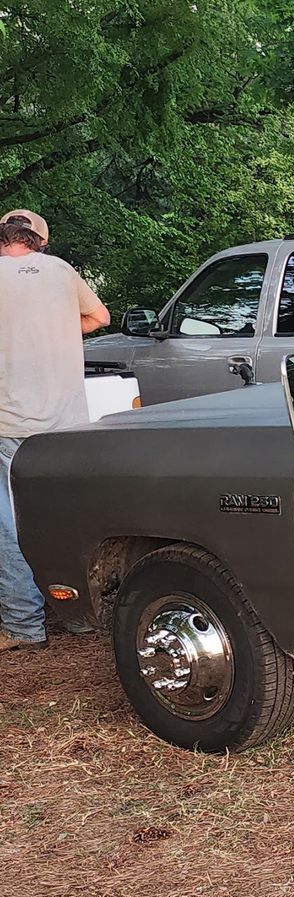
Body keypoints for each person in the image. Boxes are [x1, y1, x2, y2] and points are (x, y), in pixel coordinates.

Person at [0, 209, 110, 653]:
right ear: (41, 242)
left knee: (7, 523)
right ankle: (82, 617)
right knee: (65, 517)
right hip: (66, 424)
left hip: (9, 424)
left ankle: (23, 624)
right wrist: (56, 333)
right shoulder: (63, 272)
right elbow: (100, 317)